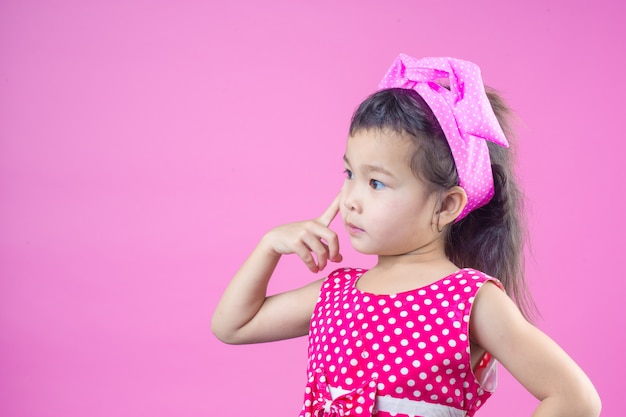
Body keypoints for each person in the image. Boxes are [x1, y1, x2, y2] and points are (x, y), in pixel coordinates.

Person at [211, 54, 601, 417]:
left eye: (377, 183)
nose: (351, 200)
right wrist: (269, 248)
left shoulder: (469, 301)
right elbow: (233, 326)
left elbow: (574, 397)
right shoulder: (336, 294)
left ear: (446, 206)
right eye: (350, 175)